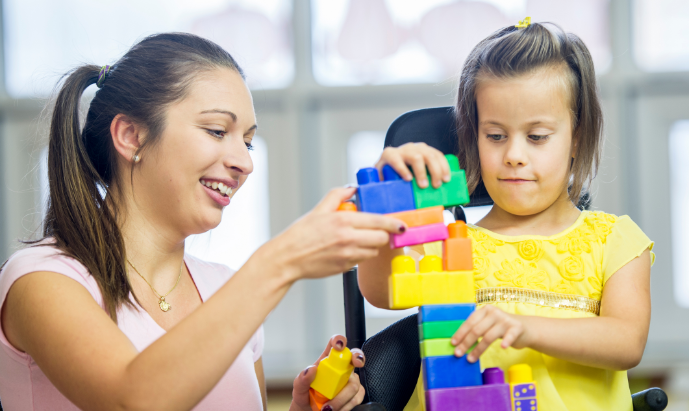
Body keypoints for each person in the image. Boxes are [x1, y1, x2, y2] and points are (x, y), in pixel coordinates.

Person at [0, 33, 406, 411]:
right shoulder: (42, 281)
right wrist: (281, 261)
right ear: (130, 135)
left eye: (247, 141)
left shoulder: (226, 290)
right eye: (216, 130)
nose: (245, 163)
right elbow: (133, 399)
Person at [357, 22, 655, 411]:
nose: (514, 154)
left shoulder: (616, 240)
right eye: (495, 136)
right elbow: (380, 291)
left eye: (537, 137)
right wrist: (385, 206)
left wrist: (526, 327)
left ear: (576, 136)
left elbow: (626, 342)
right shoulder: (447, 243)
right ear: (473, 137)